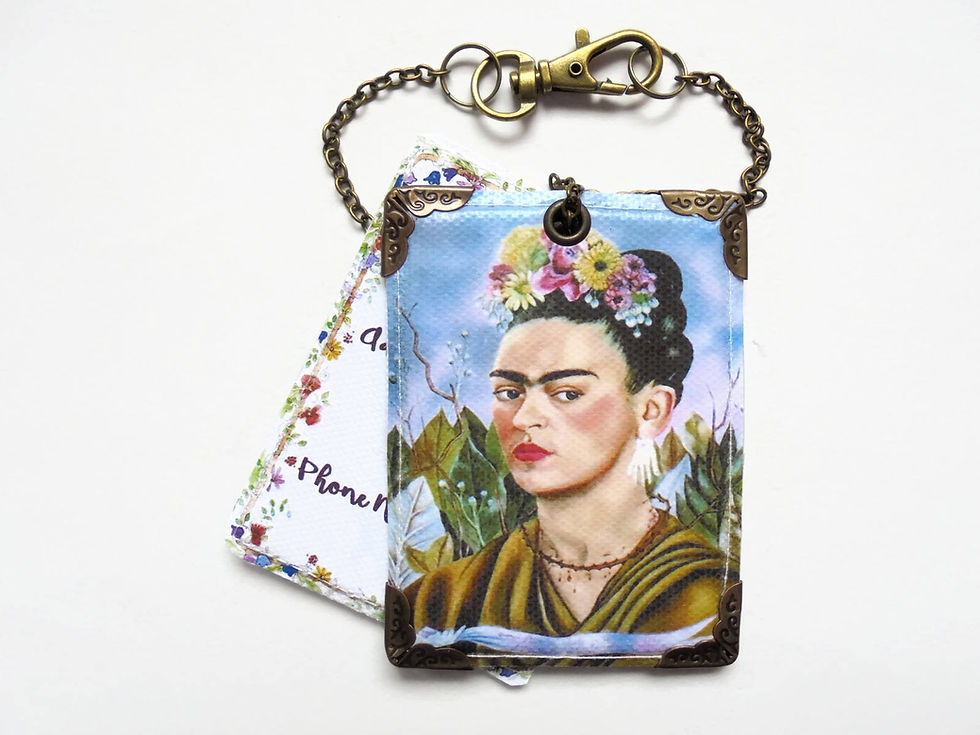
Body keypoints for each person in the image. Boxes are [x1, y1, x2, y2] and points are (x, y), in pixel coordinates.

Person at [404, 226, 732, 651]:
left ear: (651, 410)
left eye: (567, 393)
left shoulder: (708, 592)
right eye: (509, 392)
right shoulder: (442, 599)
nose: (524, 418)